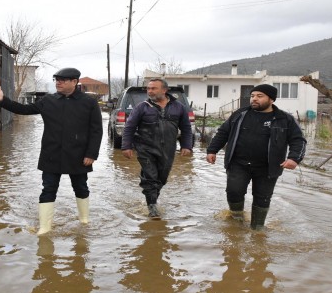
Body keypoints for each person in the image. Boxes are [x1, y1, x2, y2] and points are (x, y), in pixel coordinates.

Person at [0, 68, 103, 235]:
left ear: (74, 82)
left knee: (81, 187)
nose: (58, 82)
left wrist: (91, 154)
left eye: (62, 80)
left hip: (78, 154)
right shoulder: (49, 100)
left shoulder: (89, 102)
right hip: (51, 153)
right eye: (56, 79)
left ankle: (84, 220)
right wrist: (2, 100)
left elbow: (96, 130)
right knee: (48, 189)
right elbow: (23, 109)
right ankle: (45, 227)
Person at [206, 84, 307, 230]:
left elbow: (298, 140)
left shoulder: (284, 119)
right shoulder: (240, 114)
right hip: (238, 163)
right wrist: (212, 150)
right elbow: (223, 132)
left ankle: (257, 228)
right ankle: (236, 220)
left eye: (259, 96)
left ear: (271, 99)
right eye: (253, 96)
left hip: (268, 167)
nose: (254, 99)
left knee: (262, 198)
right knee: (234, 192)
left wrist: (294, 158)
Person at [121, 78, 193, 219]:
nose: (150, 91)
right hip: (145, 148)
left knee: (162, 179)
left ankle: (151, 198)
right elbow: (129, 127)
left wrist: (186, 145)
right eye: (149, 89)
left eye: (154, 88)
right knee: (150, 177)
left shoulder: (179, 107)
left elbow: (186, 128)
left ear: (164, 90)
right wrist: (126, 146)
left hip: (168, 149)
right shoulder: (142, 107)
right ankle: (152, 207)